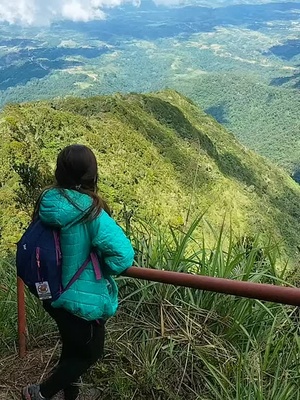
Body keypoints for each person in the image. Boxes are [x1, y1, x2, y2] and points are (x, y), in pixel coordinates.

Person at [21, 144, 135, 400]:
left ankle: (70, 394)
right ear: (92, 176)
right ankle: (39, 393)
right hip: (80, 298)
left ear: (60, 173)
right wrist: (102, 267)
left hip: (50, 292)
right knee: (89, 354)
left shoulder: (49, 202)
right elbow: (123, 255)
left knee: (73, 347)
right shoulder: (92, 211)